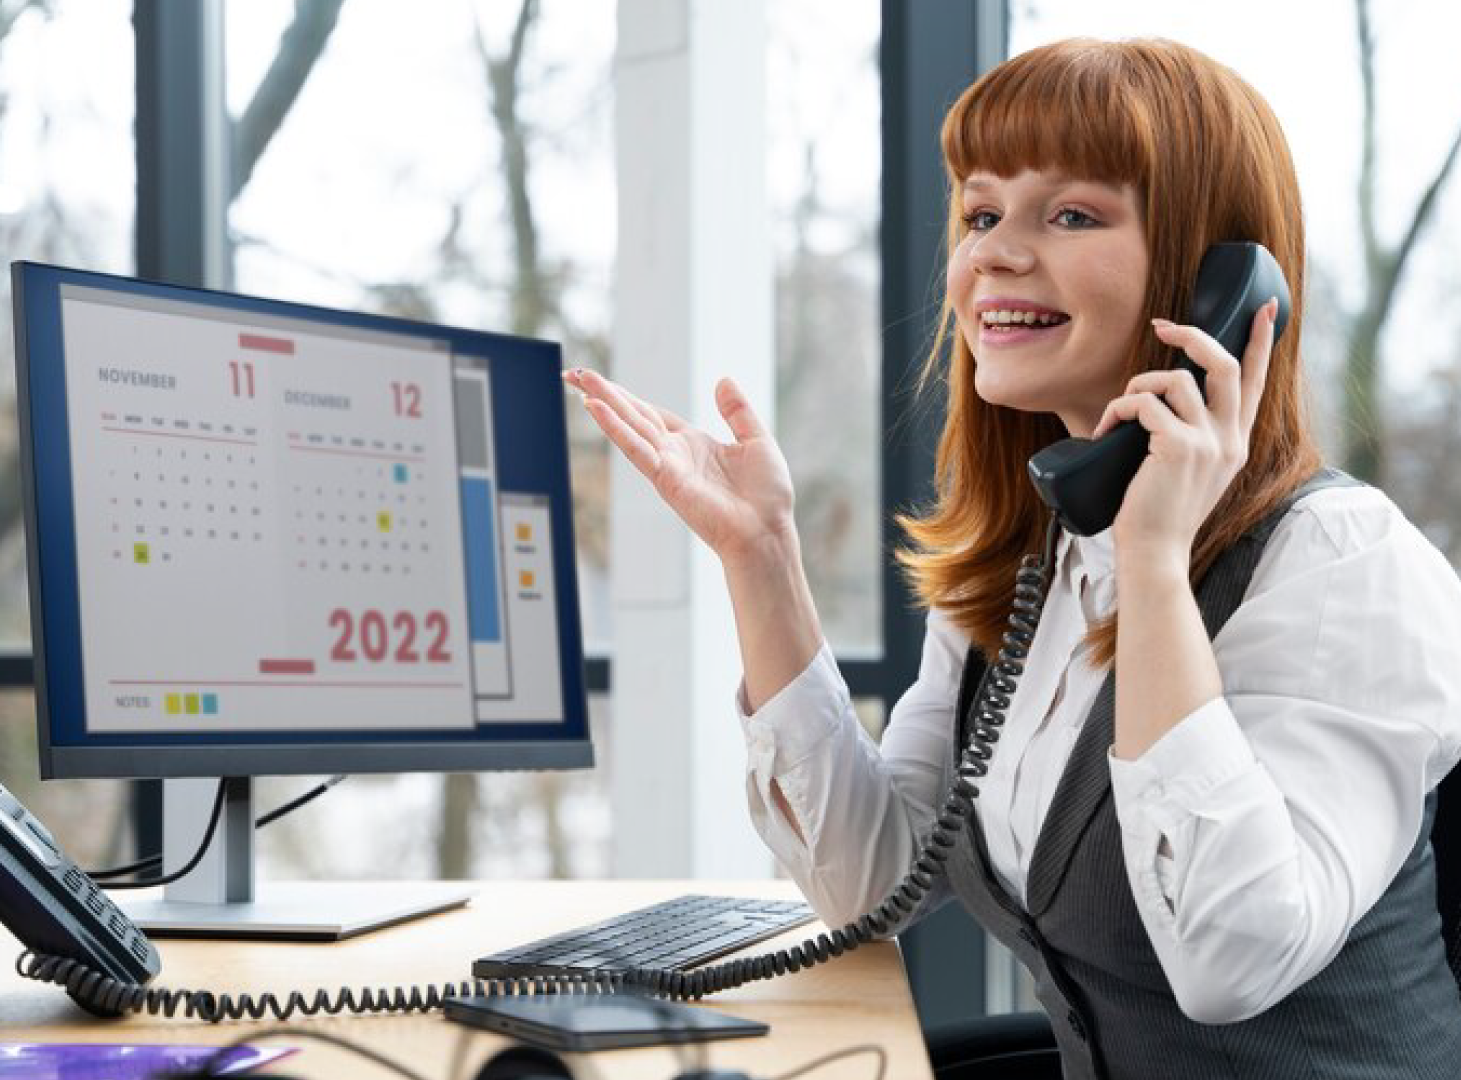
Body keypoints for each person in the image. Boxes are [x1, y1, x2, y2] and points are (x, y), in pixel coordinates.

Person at [565, 37, 1461, 1080]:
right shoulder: (1034, 558)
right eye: (982, 213)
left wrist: (1157, 566)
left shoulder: (1341, 567)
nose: (992, 252)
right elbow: (871, 877)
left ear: (1217, 281)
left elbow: (1231, 960)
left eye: (1071, 214)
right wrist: (760, 556)